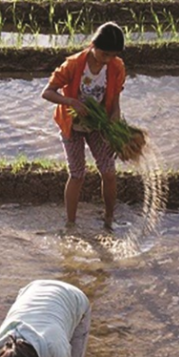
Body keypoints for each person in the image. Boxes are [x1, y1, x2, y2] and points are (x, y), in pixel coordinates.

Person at [41, 22, 127, 228]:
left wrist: (114, 122)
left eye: (112, 55)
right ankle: (71, 223)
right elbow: (47, 92)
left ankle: (108, 218)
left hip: (98, 124)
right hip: (72, 126)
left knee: (109, 172)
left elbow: (115, 100)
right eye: (104, 54)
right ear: (93, 45)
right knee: (77, 174)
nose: (107, 59)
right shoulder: (74, 64)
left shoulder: (116, 67)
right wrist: (72, 102)